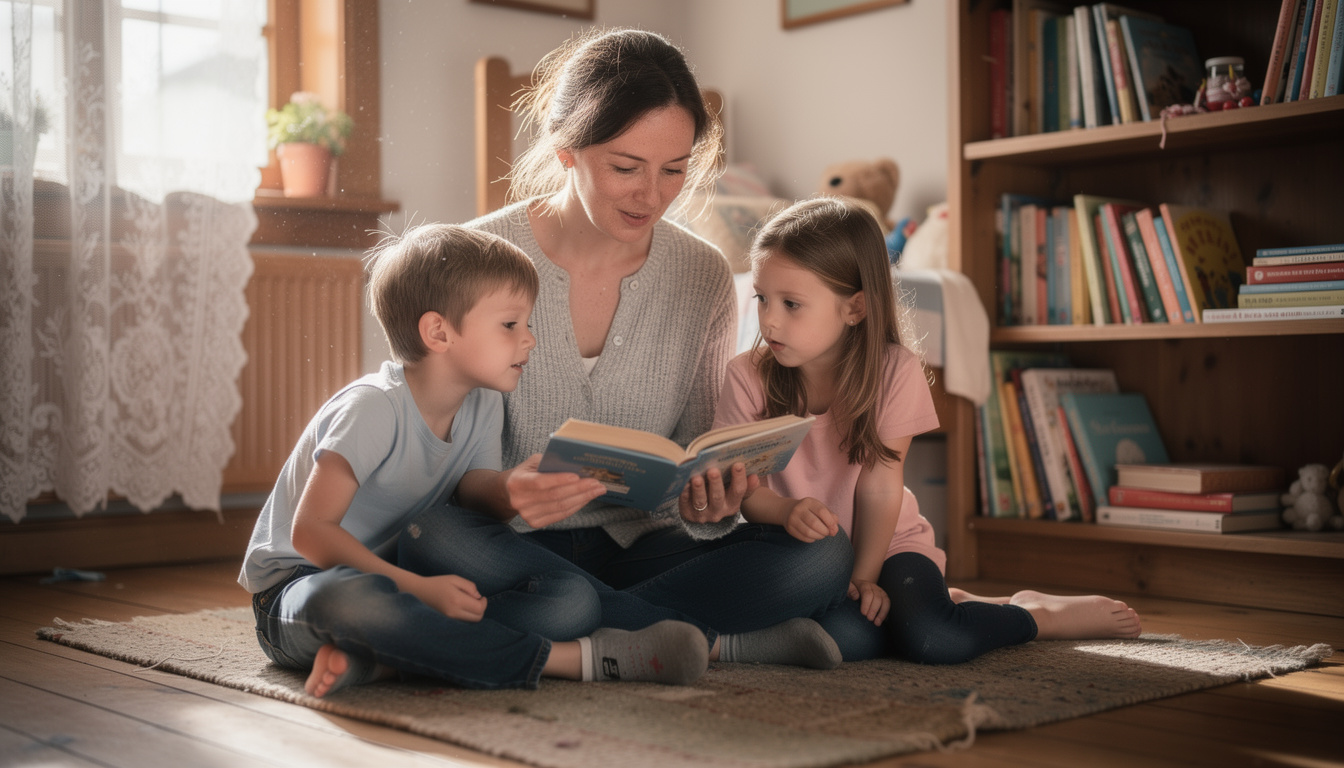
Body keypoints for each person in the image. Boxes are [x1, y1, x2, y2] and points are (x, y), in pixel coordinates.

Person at [404, 28, 852, 667]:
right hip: (507, 542)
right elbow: (422, 462)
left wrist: (712, 500)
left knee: (824, 555)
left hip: (642, 547)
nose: (653, 195)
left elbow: (698, 448)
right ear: (566, 151)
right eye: (625, 167)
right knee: (431, 536)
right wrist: (508, 493)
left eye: (675, 170)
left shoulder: (700, 274)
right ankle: (715, 641)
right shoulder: (472, 259)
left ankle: (589, 628)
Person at [238, 224, 710, 698]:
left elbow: (475, 488)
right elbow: (311, 534)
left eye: (528, 324)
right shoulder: (371, 408)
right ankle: (574, 661)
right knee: (348, 601)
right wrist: (417, 590)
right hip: (300, 586)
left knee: (570, 603)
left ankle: (388, 661)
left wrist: (517, 485)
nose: (529, 341)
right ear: (439, 332)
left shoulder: (482, 402)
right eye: (511, 325)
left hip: (404, 581)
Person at [713, 196, 1143, 662]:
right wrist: (785, 510)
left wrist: (865, 577)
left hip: (889, 545)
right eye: (762, 298)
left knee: (937, 639)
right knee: (849, 639)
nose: (769, 319)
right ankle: (942, 600)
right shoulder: (746, 375)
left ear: (854, 308)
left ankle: (1036, 613)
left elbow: (879, 487)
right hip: (801, 554)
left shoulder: (894, 370)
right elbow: (746, 487)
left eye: (791, 304)